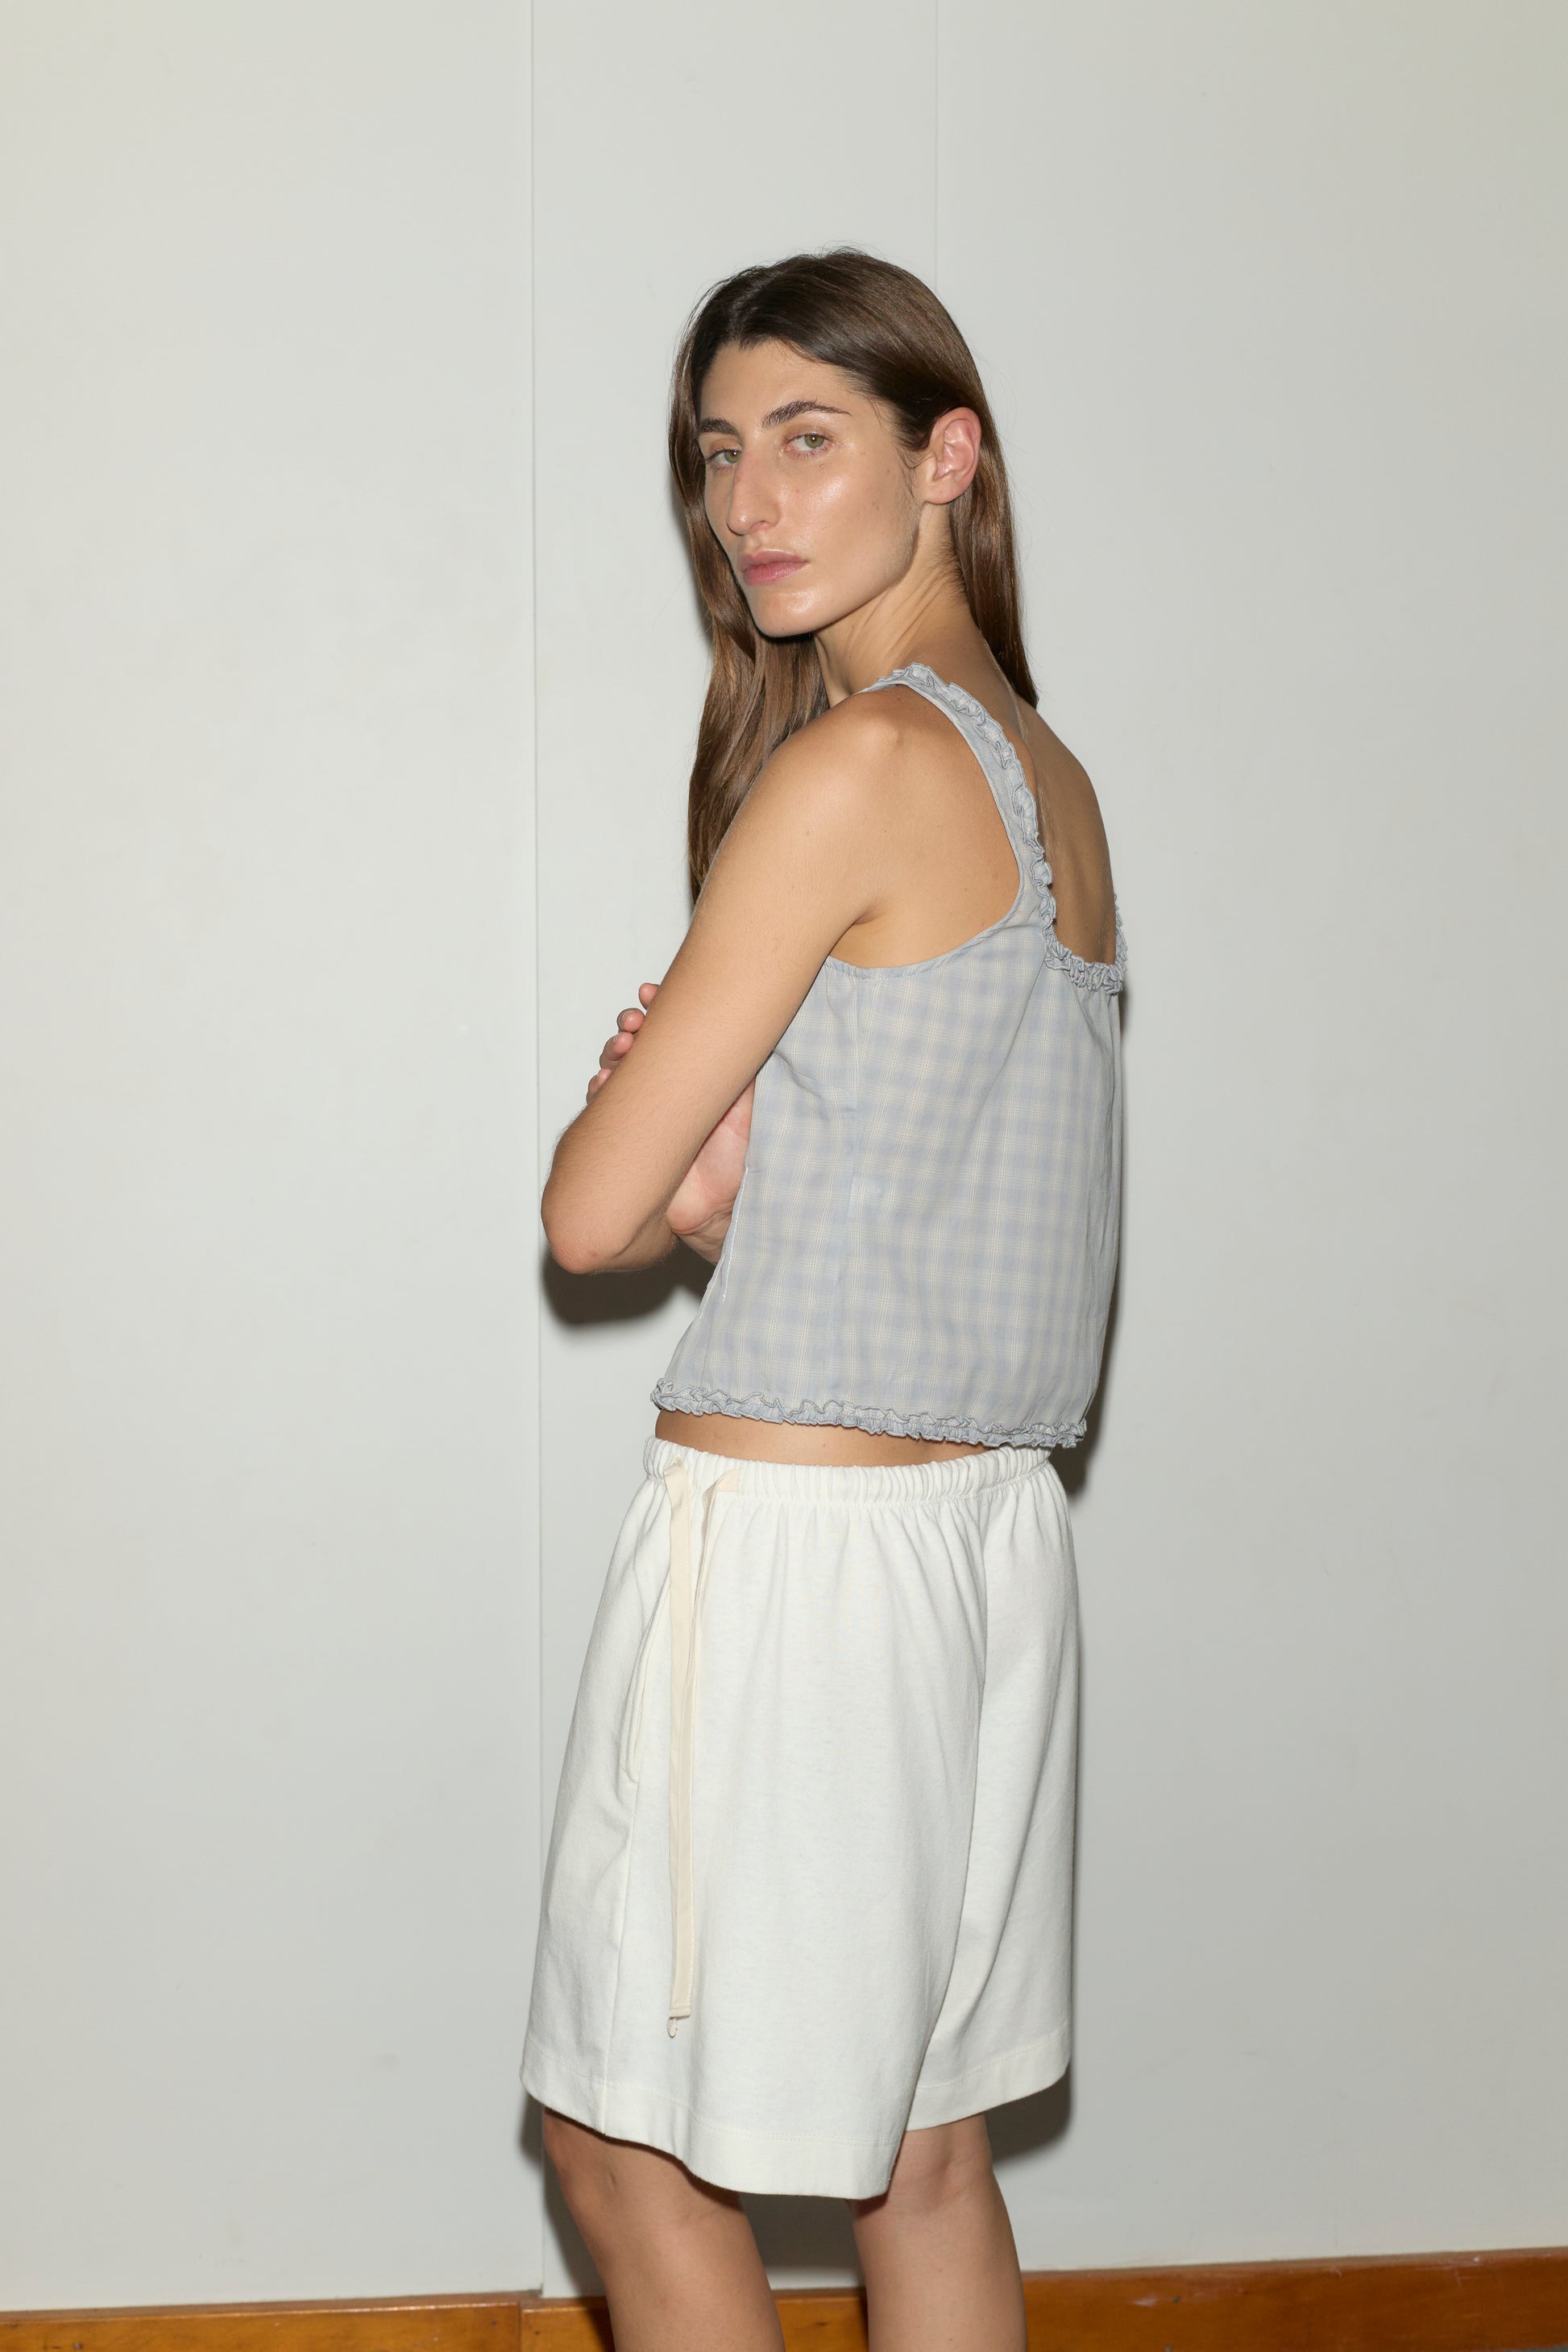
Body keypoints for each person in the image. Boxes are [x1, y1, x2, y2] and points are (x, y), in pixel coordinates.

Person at [519, 247, 1125, 2352]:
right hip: (982, 1554)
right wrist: (723, 1194)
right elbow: (914, 1230)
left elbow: (579, 1219)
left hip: (789, 1565)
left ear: (943, 457)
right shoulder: (1048, 786)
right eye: (717, 454)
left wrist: (647, 1166)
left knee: (622, 2151)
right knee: (925, 2155)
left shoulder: (853, 765)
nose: (749, 502)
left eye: (808, 439)